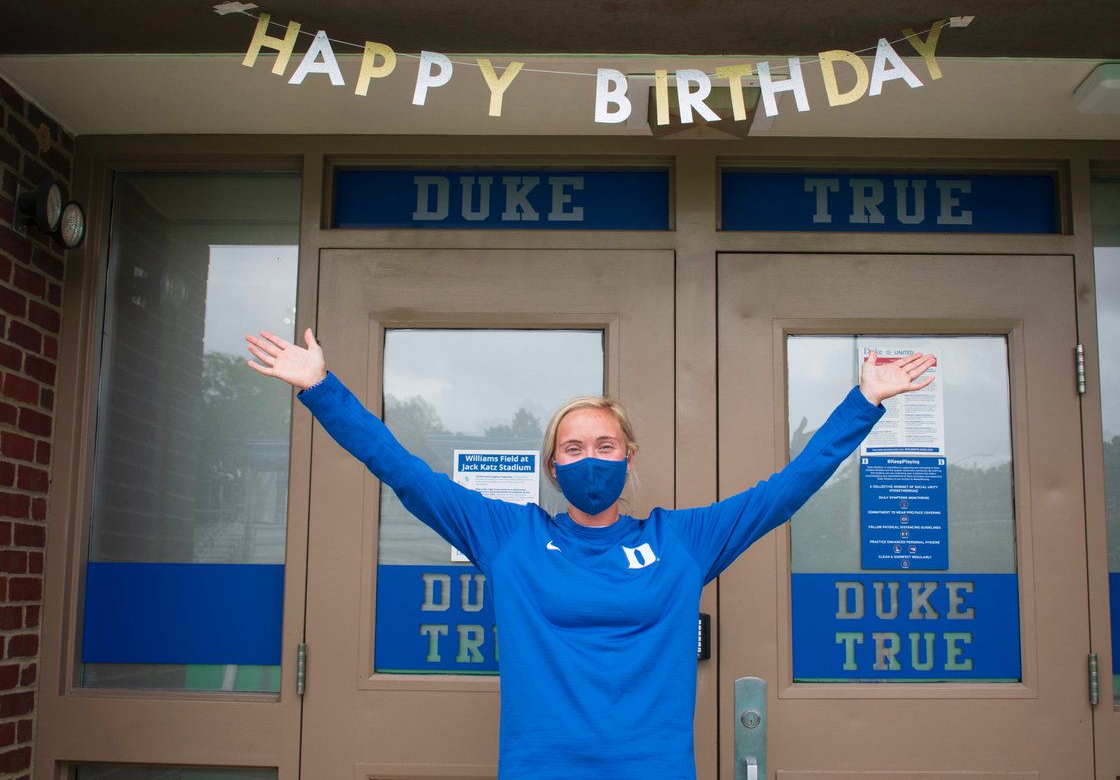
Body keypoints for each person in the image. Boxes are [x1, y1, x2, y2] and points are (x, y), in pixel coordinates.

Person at [245, 328, 935, 780]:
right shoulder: (507, 537)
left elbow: (786, 492)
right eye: (574, 448)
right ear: (552, 466)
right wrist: (321, 390)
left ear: (629, 456)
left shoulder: (681, 542)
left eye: (605, 445)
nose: (590, 459)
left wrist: (864, 401)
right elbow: (403, 471)